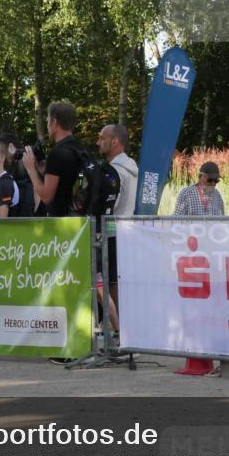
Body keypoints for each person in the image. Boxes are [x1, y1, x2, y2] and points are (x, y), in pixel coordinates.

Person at [96, 124, 138, 334]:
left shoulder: (116, 171)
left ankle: (120, 330)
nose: (98, 142)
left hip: (113, 230)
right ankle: (120, 328)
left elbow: (111, 202)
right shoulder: (131, 166)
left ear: (114, 142)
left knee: (109, 282)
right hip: (125, 230)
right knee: (114, 281)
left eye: (101, 138)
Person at [23, 101, 83, 217]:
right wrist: (44, 171)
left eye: (48, 121)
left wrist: (31, 169)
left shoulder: (57, 153)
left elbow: (46, 197)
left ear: (54, 122)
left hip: (61, 221)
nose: (47, 125)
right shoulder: (80, 149)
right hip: (79, 219)